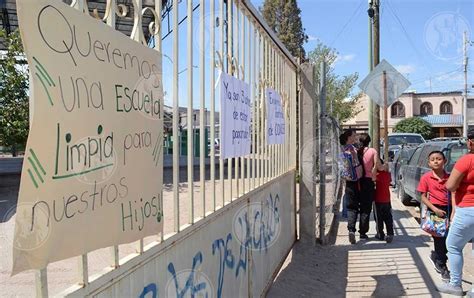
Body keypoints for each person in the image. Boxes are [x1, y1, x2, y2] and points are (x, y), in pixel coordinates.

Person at [438, 129, 474, 296]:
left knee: (453, 246)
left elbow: (451, 185)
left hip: (468, 209)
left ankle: (455, 285)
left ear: (470, 142)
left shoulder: (466, 160)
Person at [417, 151, 451, 281]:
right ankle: (442, 266)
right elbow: (423, 197)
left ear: (445, 161)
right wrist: (435, 209)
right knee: (439, 238)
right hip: (435, 210)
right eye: (433, 159)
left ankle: (437, 256)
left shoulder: (449, 177)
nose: (436, 161)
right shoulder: (426, 177)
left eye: (439, 159)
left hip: (449, 209)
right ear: (429, 163)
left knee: (450, 239)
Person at [339, 129, 363, 244]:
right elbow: (356, 163)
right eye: (354, 135)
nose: (355, 137)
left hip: (347, 179)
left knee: (350, 205)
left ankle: (351, 230)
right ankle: (356, 230)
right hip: (355, 180)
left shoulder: (342, 148)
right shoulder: (352, 149)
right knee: (354, 207)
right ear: (349, 137)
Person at [357, 133, 380, 240]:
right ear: (369, 141)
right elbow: (377, 165)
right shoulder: (373, 151)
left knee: (359, 206)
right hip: (368, 181)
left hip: (357, 181)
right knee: (366, 207)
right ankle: (362, 232)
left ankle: (354, 228)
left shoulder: (356, 151)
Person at [373, 161, 394, 243]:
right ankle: (390, 233)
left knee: (379, 218)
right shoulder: (388, 175)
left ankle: (380, 234)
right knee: (388, 217)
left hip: (378, 200)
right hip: (387, 200)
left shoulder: (377, 175)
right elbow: (390, 180)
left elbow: (372, 178)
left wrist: (374, 168)